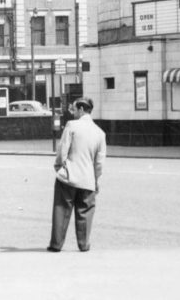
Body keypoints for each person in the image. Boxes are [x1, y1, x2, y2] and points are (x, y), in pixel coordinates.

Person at [47, 97, 106, 253]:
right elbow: (99, 163)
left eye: (73, 109)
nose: (72, 112)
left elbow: (62, 150)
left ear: (81, 109)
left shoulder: (72, 126)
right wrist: (95, 179)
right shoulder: (100, 133)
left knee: (61, 210)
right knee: (85, 212)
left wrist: (59, 167)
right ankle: (83, 244)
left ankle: (56, 244)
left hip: (68, 177)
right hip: (88, 180)